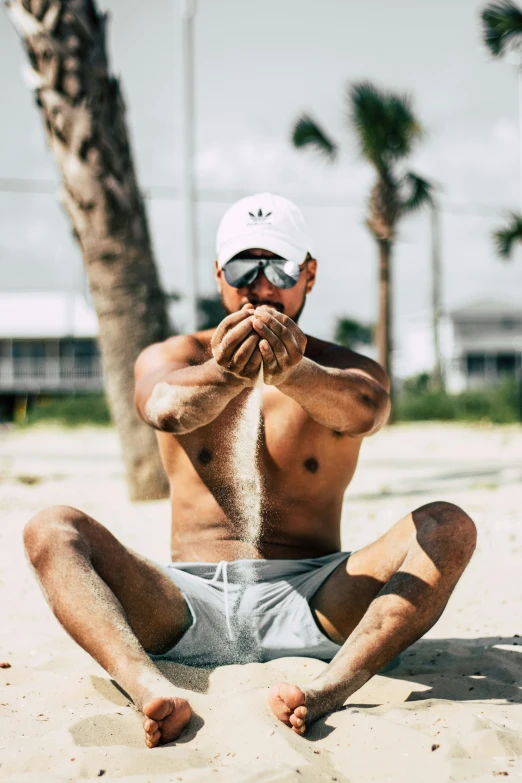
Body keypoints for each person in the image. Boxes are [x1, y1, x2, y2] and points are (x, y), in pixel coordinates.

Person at [24, 193, 476, 748]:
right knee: (51, 528)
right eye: (243, 266)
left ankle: (329, 689)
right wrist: (229, 374)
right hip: (183, 602)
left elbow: (368, 411)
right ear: (219, 274)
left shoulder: (345, 368)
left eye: (279, 267)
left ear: (308, 275)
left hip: (315, 601)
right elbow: (164, 406)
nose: (260, 286)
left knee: (448, 525)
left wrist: (295, 372)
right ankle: (146, 688)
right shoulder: (176, 356)